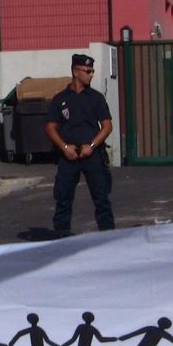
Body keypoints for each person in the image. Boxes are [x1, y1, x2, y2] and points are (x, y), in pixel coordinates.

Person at [44, 53, 114, 235]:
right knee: (63, 199)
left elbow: (107, 127)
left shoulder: (96, 98)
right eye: (87, 71)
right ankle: (62, 237)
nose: (91, 74)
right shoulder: (60, 99)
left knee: (101, 198)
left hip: (91, 154)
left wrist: (91, 146)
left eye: (92, 71)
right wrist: (64, 147)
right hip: (69, 155)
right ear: (76, 72)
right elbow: (50, 127)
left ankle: (108, 236)